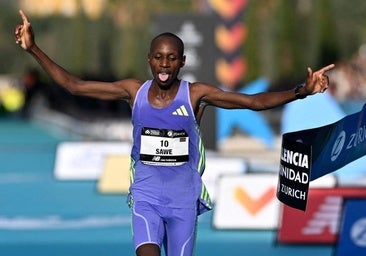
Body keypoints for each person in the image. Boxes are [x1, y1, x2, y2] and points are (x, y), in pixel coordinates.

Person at [14, 9, 334, 256]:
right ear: (149, 60)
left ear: (182, 61)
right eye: (158, 57)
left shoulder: (196, 94)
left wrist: (301, 91)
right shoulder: (133, 91)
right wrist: (33, 49)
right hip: (146, 196)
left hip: (184, 201)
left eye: (171, 58)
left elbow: (253, 102)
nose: (164, 64)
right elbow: (75, 85)